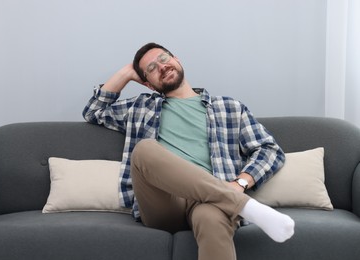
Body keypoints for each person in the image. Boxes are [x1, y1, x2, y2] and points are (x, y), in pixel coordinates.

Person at [83, 42, 295, 260]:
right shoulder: (139, 107)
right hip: (162, 202)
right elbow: (93, 111)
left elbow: (270, 149)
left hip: (209, 201)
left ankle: (233, 200)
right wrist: (126, 73)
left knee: (212, 217)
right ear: (149, 84)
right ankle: (245, 206)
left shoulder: (229, 108)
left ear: (177, 60)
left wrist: (240, 183)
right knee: (144, 149)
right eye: (152, 68)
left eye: (164, 59)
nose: (161, 67)